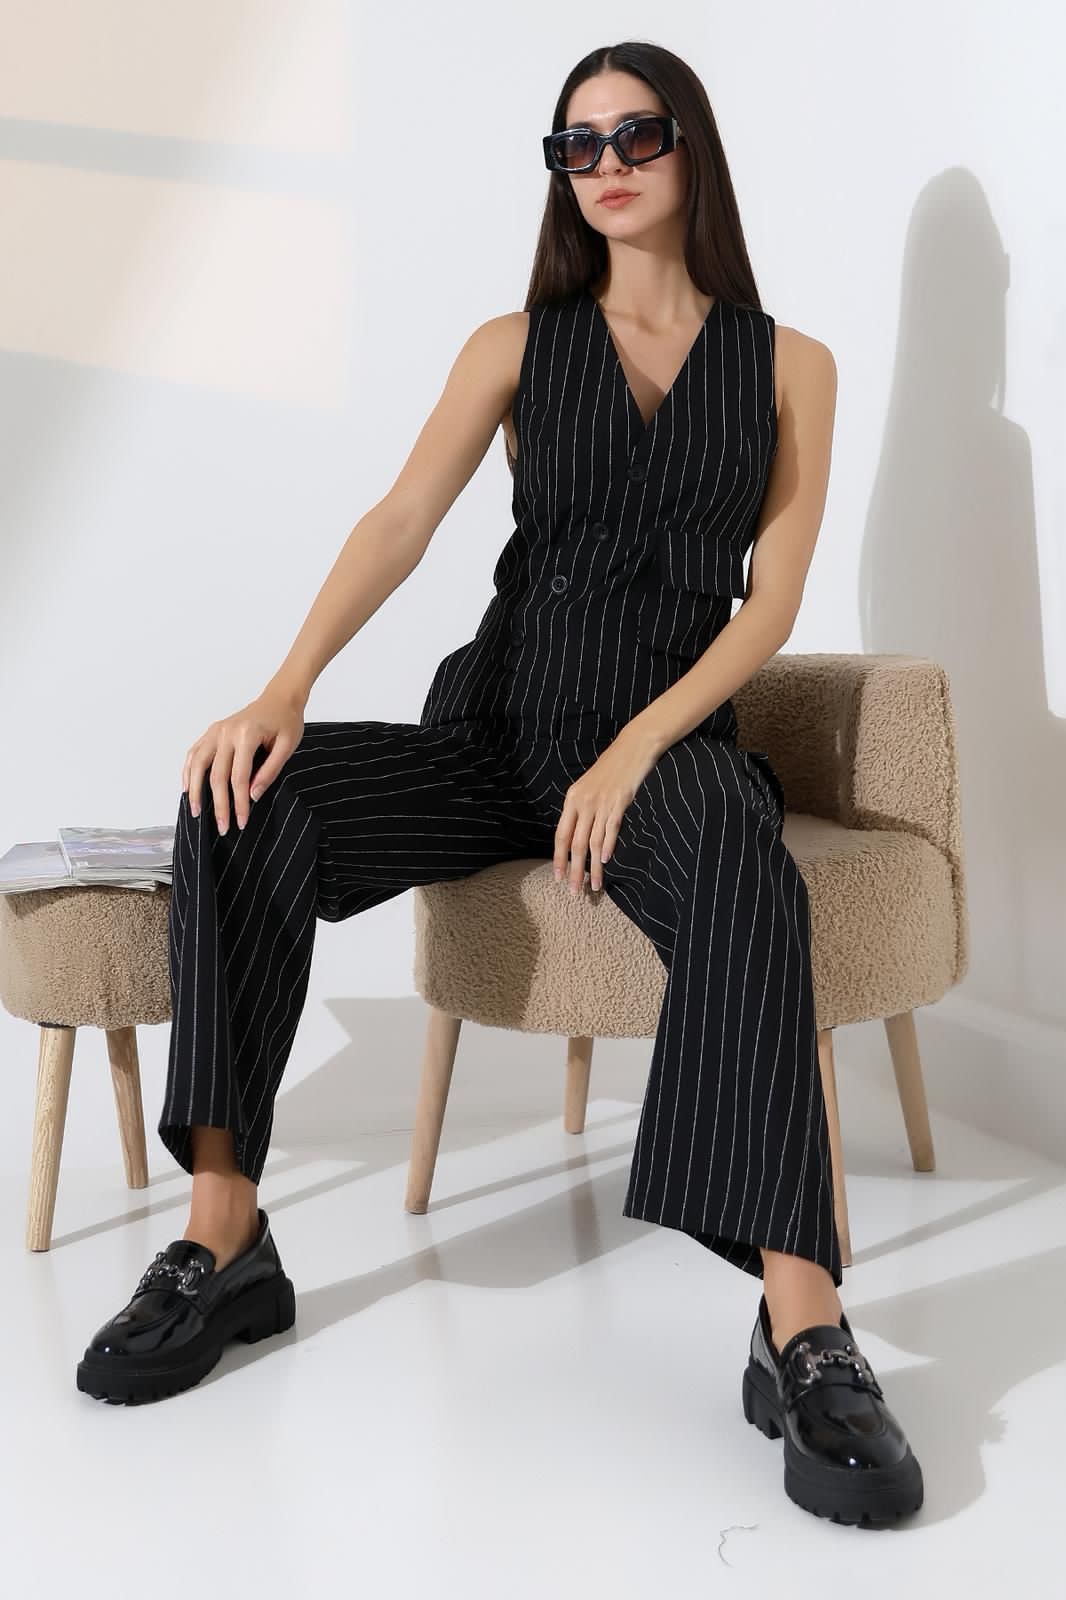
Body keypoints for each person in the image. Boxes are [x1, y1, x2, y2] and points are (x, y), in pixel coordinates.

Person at [76, 40, 923, 1526]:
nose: (606, 166)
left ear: (691, 148)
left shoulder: (792, 365)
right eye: (576, 146)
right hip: (497, 737)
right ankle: (225, 1237)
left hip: (658, 759)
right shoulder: (515, 345)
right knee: (240, 795)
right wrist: (285, 689)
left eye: (635, 135)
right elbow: (402, 520)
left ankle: (801, 1323)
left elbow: (772, 606)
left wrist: (638, 747)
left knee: (743, 856)